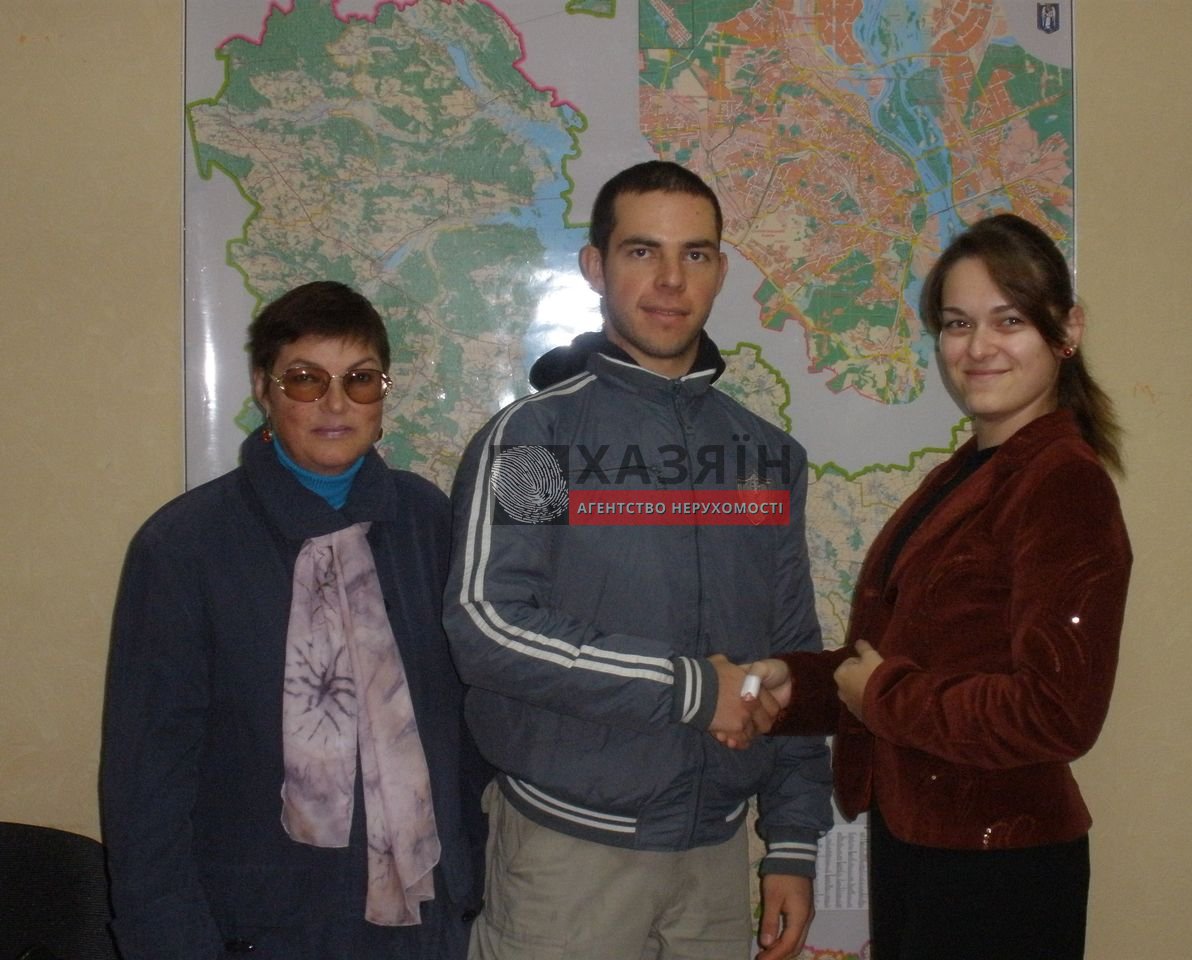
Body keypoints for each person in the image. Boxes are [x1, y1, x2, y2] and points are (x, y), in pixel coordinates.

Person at [444, 161, 832, 960]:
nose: (670, 280)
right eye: (641, 251)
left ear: (720, 270)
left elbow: (793, 651)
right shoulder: (537, 441)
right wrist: (690, 689)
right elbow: (490, 626)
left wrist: (792, 841)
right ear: (596, 266)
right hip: (566, 867)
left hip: (716, 862)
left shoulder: (764, 457)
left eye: (695, 254)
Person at [747, 213, 1133, 960]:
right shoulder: (969, 473)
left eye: (1008, 320)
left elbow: (1057, 713)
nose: (978, 347)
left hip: (999, 869)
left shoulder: (1063, 483)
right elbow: (900, 660)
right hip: (924, 844)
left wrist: (882, 696)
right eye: (958, 324)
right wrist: (795, 686)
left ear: (1066, 330)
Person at [101, 281, 489, 959]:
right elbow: (147, 786)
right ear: (263, 388)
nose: (336, 404)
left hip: (427, 918)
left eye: (359, 380)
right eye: (306, 380)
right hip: (259, 926)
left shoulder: (426, 521)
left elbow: (464, 729)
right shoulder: (184, 548)